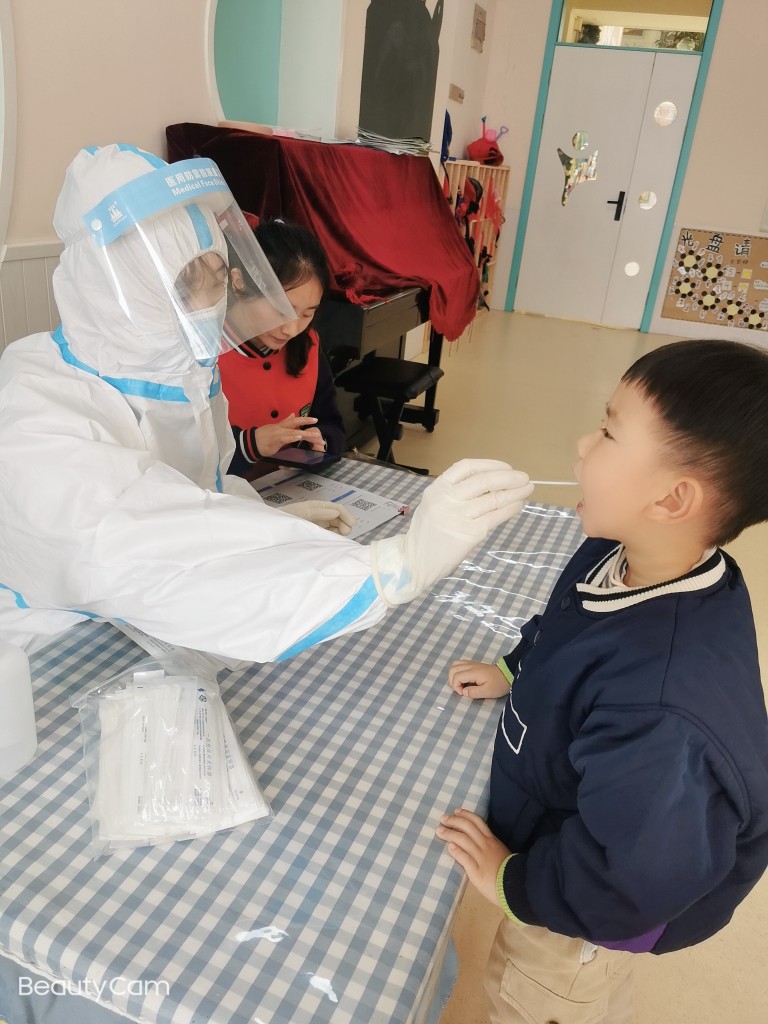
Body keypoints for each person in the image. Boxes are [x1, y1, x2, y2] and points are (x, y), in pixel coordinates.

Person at [0, 144, 533, 662]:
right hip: (51, 647)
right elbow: (147, 549)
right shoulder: (35, 409)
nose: (207, 307)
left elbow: (200, 492)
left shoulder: (181, 378)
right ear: (113, 291)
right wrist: (390, 567)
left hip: (137, 631)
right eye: (186, 287)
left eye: (214, 280)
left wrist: (267, 521)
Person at [436, 339, 768, 1023]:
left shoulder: (661, 710)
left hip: (587, 914)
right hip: (586, 836)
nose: (583, 445)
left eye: (610, 432)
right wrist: (513, 668)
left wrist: (510, 879)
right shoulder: (621, 551)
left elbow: (630, 886)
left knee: (538, 997)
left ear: (672, 498)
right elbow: (567, 626)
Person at [218, 218, 346, 477]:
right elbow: (181, 459)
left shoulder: (307, 345)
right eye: (281, 310)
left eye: (307, 314)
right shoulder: (205, 353)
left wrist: (318, 442)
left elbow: (333, 427)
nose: (291, 329)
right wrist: (249, 446)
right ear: (239, 281)